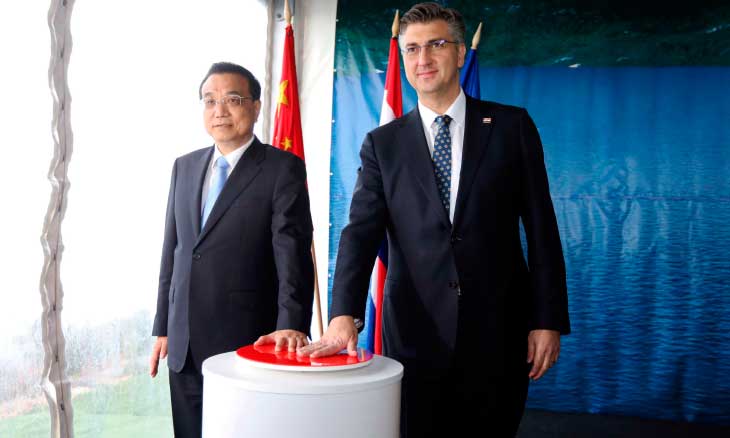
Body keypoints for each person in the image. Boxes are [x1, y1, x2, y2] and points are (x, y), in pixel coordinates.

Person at [298, 3, 570, 437]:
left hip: (498, 333)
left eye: (436, 44)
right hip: (414, 336)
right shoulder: (382, 144)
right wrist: (343, 314)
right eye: (412, 49)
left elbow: (541, 229)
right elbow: (360, 234)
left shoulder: (511, 127)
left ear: (460, 53)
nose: (422, 58)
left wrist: (547, 318)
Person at [149, 62, 314, 438]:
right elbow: (173, 250)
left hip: (246, 344)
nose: (219, 110)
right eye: (210, 101)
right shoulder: (184, 167)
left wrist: (290, 324)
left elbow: (292, 254)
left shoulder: (281, 169)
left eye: (232, 99)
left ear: (256, 107)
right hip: (184, 346)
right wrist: (163, 328)